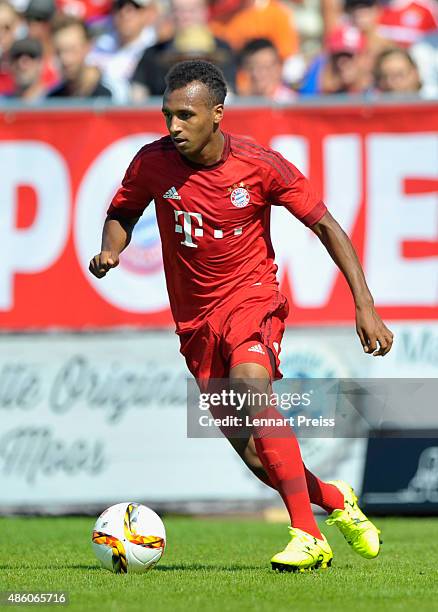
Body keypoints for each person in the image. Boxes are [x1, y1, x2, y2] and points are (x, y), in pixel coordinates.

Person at [89, 60, 393, 572]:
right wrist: (110, 250)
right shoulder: (151, 163)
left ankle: (308, 535)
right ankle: (336, 500)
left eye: (185, 115)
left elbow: (328, 227)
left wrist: (364, 304)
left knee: (254, 387)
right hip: (196, 321)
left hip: (252, 299)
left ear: (217, 114)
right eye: (167, 115)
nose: (173, 127)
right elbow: (123, 211)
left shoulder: (260, 165)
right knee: (255, 454)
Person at [130, 0, 236, 97]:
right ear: (170, 14)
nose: (184, 16)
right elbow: (138, 96)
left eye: (191, 10)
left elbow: (229, 95)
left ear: (205, 12)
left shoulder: (223, 51)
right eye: (178, 10)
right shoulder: (153, 54)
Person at [47, 15, 113, 98]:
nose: (65, 59)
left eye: (72, 50)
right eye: (59, 52)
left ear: (87, 47)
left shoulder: (112, 93)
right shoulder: (52, 99)